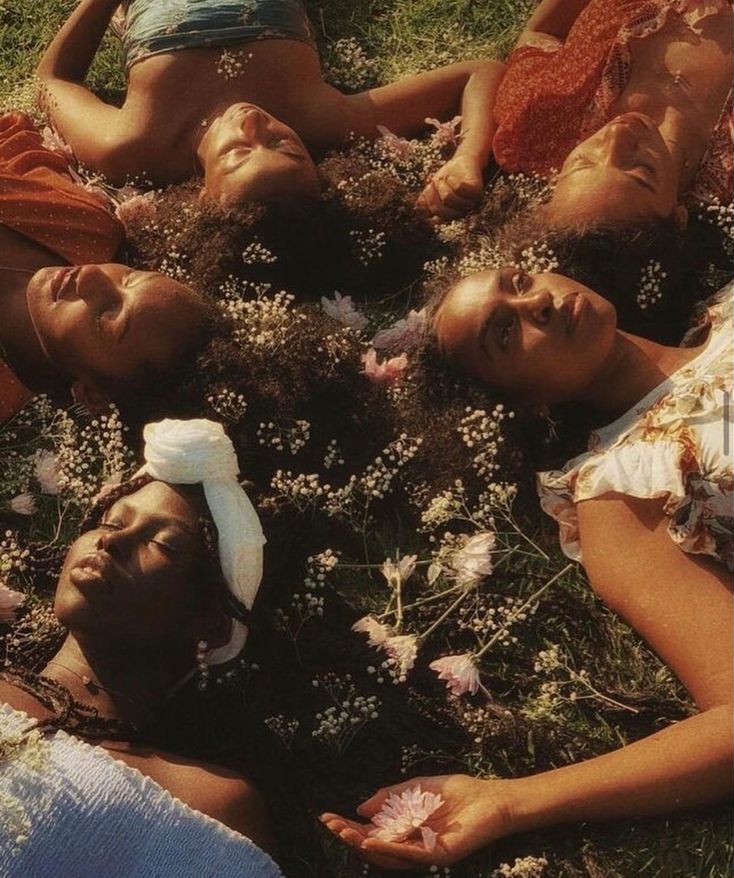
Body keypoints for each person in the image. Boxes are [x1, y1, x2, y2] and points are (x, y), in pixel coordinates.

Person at [320, 269, 734, 868]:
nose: (537, 301)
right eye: (505, 334)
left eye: (519, 281)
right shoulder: (623, 491)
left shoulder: (720, 305)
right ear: (521, 402)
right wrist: (510, 802)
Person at [0, 418, 282, 877]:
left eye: (163, 543)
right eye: (111, 520)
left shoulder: (205, 808)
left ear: (209, 623)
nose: (112, 539)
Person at [37, 0, 505, 218]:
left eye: (237, 154)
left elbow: (52, 81)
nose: (254, 123)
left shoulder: (134, 146)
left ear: (204, 193)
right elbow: (479, 72)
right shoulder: (325, 119)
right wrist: (467, 157)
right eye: (283, 145)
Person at [0, 111, 219, 426]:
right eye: (128, 279)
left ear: (93, 394)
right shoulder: (86, 229)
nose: (91, 276)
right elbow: (14, 137)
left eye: (105, 318)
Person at [477, 0, 734, 230]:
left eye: (583, 162)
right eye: (640, 171)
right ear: (678, 217)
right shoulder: (727, 180)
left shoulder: (541, 121)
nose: (617, 133)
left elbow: (543, 31)